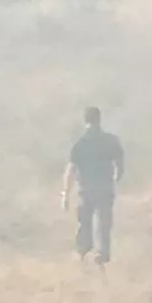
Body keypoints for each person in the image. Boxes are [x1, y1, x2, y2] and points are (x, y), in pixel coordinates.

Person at [61, 106, 125, 266]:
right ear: (99, 119)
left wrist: (65, 195)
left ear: (85, 121)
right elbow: (120, 162)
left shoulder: (80, 144)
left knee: (84, 222)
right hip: (104, 189)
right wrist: (117, 176)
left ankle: (83, 253)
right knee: (103, 222)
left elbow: (71, 170)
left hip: (85, 191)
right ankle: (101, 254)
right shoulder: (110, 141)